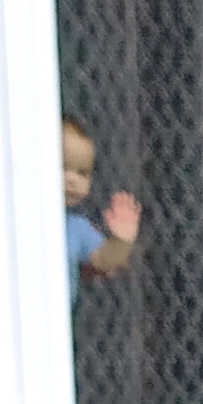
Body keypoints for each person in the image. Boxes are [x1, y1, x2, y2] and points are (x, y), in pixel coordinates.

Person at [61, 116, 142, 289]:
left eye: (82, 173)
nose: (72, 180)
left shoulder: (76, 227)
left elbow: (104, 260)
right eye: (62, 167)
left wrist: (122, 239)